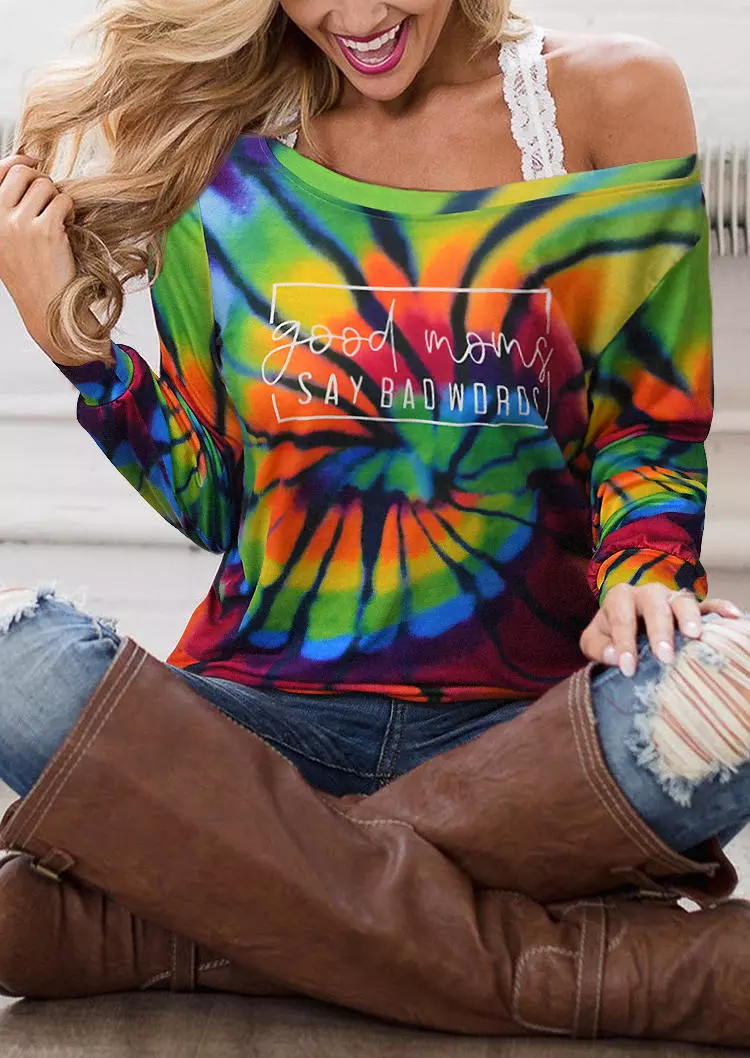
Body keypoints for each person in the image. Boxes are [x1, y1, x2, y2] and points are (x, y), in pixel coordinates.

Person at [1, 0, 750, 1044]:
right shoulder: (215, 144)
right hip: (261, 726)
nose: (353, 16)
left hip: (526, 741)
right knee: (19, 666)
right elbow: (217, 501)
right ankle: (570, 965)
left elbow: (646, 424)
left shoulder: (611, 98)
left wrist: (647, 569)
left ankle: (189, 926)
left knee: (730, 702)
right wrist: (81, 357)